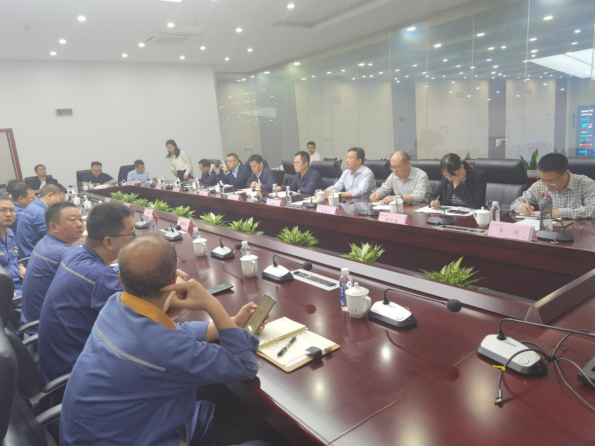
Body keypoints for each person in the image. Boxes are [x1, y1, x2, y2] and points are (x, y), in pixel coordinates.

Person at [60, 235, 267, 446]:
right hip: (130, 438)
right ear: (173, 281)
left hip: (91, 434)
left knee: (205, 411)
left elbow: (172, 333)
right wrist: (212, 305)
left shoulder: (115, 304)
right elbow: (245, 365)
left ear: (121, 278)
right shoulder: (168, 349)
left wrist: (232, 322)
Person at [38, 202, 135, 382]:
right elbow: (145, 307)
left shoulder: (74, 254)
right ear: (108, 242)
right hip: (75, 373)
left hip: (54, 361)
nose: (134, 240)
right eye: (131, 234)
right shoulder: (100, 277)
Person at [20, 202, 85, 331]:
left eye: (81, 219)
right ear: (54, 226)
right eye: (73, 220)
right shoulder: (63, 253)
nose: (80, 224)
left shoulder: (45, 241)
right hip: (48, 329)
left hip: (35, 319)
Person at [511, 153, 595, 219]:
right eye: (543, 180)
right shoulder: (539, 185)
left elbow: (593, 209)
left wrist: (560, 213)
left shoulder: (585, 184)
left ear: (566, 173)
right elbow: (515, 203)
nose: (546, 185)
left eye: (551, 181)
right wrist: (522, 207)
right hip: (548, 231)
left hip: (578, 233)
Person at [16, 183, 67, 260]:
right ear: (50, 195)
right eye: (61, 200)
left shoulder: (36, 206)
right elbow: (56, 237)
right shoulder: (39, 212)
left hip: (32, 253)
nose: (62, 203)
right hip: (33, 258)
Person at [0, 194, 25, 298]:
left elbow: (15, 257)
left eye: (12, 210)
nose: (8, 214)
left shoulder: (10, 233)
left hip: (20, 283)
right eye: (3, 210)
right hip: (6, 291)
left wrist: (20, 266)